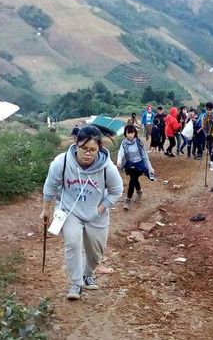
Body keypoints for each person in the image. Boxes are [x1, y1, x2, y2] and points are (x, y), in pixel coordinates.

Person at [41, 125, 123, 300]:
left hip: (96, 214)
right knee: (72, 243)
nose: (88, 153)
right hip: (70, 210)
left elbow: (117, 191)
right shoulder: (61, 162)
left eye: (93, 150)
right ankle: (76, 284)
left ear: (99, 148)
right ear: (76, 144)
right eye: (84, 148)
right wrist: (45, 209)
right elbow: (50, 186)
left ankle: (88, 273)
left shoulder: (107, 168)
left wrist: (100, 209)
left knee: (96, 253)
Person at [116, 124, 155, 209]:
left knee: (132, 180)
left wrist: (149, 167)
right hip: (129, 164)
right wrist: (119, 160)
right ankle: (138, 189)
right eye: (128, 133)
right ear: (125, 134)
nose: (130, 135)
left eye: (131, 132)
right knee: (134, 179)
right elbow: (121, 152)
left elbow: (144, 155)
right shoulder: (124, 142)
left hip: (139, 165)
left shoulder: (139, 142)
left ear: (135, 133)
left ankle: (128, 199)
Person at [203, 102, 213, 171]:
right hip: (209, 134)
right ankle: (212, 162)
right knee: (210, 148)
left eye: (206, 107)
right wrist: (206, 134)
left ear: (207, 107)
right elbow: (204, 125)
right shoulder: (206, 115)